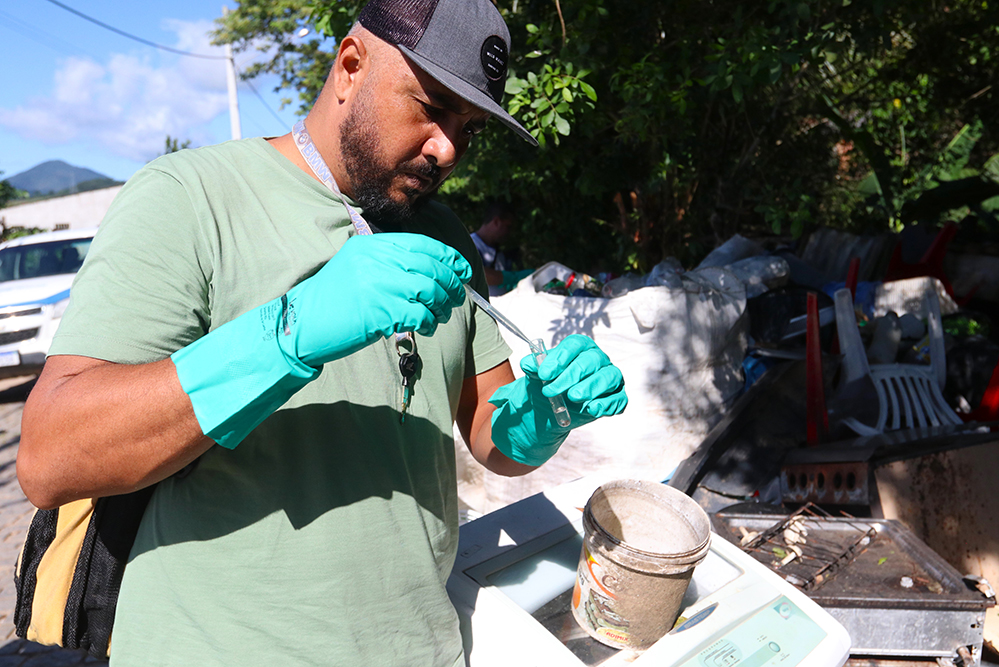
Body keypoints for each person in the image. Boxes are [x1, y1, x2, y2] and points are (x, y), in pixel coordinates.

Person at [16, 0, 628, 664]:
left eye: (468, 127)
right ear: (350, 65)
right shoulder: (191, 197)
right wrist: (289, 334)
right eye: (429, 106)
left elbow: (490, 432)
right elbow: (51, 456)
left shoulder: (445, 234)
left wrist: (542, 414)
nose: (448, 148)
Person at [471, 201, 533, 296]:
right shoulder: (470, 244)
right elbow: (475, 273)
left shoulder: (497, 252)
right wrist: (513, 277)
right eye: (508, 226)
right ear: (496, 221)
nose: (510, 232)